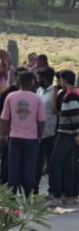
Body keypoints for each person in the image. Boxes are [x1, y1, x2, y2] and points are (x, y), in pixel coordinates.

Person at [0, 71, 44, 196]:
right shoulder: (37, 98)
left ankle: (12, 196)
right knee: (29, 168)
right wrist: (39, 135)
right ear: (32, 82)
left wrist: (3, 135)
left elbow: (4, 119)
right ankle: (27, 196)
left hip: (14, 137)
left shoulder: (11, 96)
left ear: (18, 81)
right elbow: (41, 121)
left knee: (14, 167)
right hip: (32, 138)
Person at [48, 70, 78, 206]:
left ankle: (56, 195)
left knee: (55, 162)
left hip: (66, 133)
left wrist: (77, 133)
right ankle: (69, 195)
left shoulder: (71, 95)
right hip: (68, 133)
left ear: (65, 80)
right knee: (67, 165)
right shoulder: (71, 94)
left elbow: (74, 116)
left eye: (60, 79)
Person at [0, 67, 26, 186]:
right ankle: (4, 183)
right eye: (21, 76)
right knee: (7, 159)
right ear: (16, 77)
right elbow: (2, 115)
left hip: (26, 133)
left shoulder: (31, 93)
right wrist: (3, 133)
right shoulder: (7, 94)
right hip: (10, 131)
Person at [36, 67, 58, 195]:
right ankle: (34, 190)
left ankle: (52, 191)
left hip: (50, 132)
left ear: (45, 78)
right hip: (38, 133)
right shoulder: (39, 90)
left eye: (39, 77)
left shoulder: (54, 91)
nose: (38, 80)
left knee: (51, 163)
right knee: (37, 163)